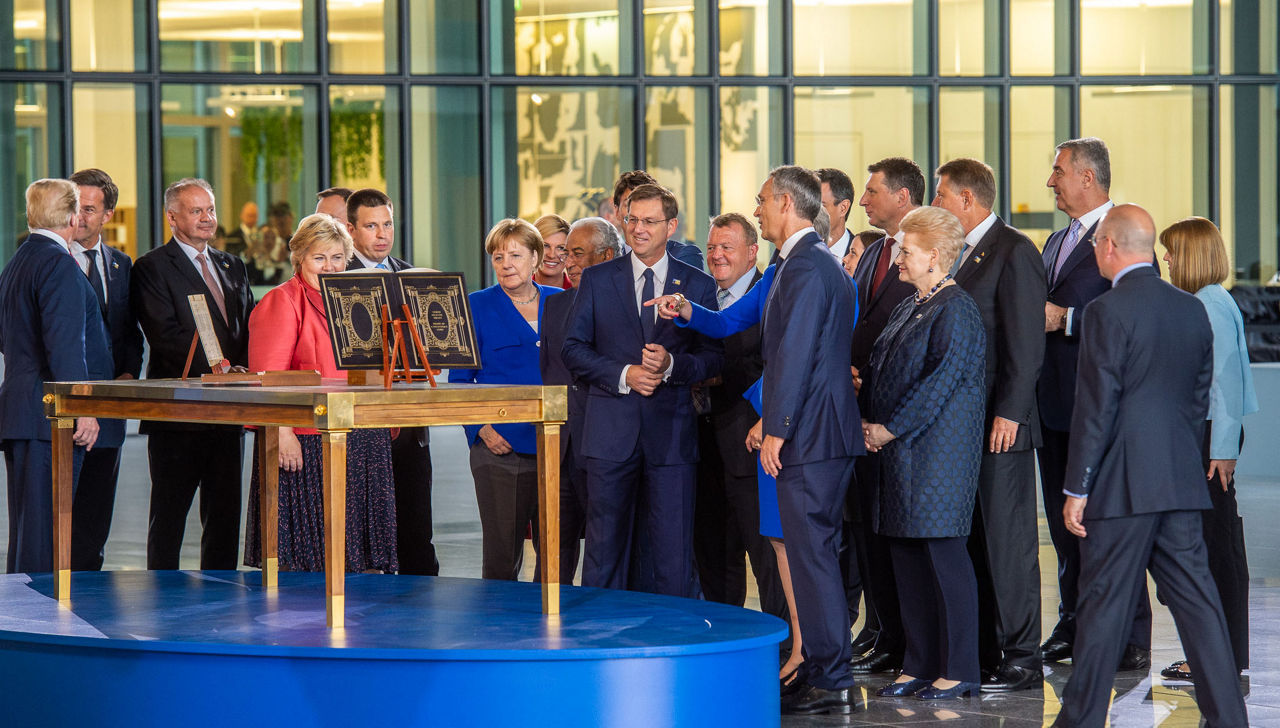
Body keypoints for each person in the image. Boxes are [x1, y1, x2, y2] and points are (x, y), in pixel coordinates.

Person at [1053, 204, 1249, 728]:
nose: (1095, 251)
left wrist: (1078, 486)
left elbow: (1097, 407)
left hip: (1121, 488)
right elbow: (1197, 399)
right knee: (1200, 609)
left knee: (1101, 611)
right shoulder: (1192, 309)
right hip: (1179, 483)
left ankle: (1081, 722)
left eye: (1096, 244)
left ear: (1111, 246)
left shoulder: (1105, 311)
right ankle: (1231, 720)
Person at [562, 183, 723, 598]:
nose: (638, 229)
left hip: (671, 437)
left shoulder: (699, 285)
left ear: (671, 226)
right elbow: (572, 349)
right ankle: (599, 644)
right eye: (632, 219)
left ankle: (673, 647)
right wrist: (624, 373)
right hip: (609, 434)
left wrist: (672, 366)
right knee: (603, 552)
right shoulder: (596, 280)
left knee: (673, 555)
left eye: (650, 221)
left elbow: (713, 358)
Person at [860, 205, 985, 701]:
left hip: (937, 456)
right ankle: (919, 663)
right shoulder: (912, 304)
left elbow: (940, 384)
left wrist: (888, 428)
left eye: (905, 251)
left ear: (935, 256)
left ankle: (959, 668)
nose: (896, 260)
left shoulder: (957, 308)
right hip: (900, 453)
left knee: (943, 558)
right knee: (907, 558)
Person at [931, 158, 1048, 691]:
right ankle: (983, 650)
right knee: (975, 540)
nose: (934, 204)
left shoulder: (1014, 250)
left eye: (940, 195)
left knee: (1009, 542)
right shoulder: (957, 253)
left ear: (967, 199)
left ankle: (1023, 656)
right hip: (962, 426)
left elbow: (1026, 342)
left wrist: (1012, 411)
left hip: (1002, 425)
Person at [1037, 138, 1151, 670]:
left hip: (1102, 407)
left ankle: (1128, 636)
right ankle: (1074, 620)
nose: (1050, 181)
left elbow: (1134, 309)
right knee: (1065, 529)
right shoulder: (1055, 241)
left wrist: (1067, 319)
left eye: (1058, 172)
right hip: (1055, 406)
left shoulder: (1124, 233)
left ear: (1088, 176)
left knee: (1108, 524)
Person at [754, 166, 861, 715]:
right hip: (824, 432)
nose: (757, 212)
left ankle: (830, 675)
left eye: (762, 202)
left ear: (786, 205)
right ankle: (826, 667)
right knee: (814, 554)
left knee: (812, 556)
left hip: (811, 437)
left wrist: (777, 429)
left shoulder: (804, 267)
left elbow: (793, 356)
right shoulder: (817, 263)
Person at [243, 214, 397, 573]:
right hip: (307, 440)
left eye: (337, 258)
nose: (329, 267)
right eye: (319, 258)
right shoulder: (283, 301)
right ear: (299, 259)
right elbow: (268, 378)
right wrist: (281, 433)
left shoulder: (359, 299)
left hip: (363, 436)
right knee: (311, 562)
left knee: (361, 560)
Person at [132, 178, 255, 570]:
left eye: (211, 210)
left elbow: (246, 327)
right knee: (168, 517)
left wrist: (244, 372)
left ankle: (219, 595)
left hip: (229, 412)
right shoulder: (151, 267)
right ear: (172, 217)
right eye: (196, 211)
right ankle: (160, 595)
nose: (207, 219)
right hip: (178, 414)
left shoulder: (231, 264)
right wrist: (219, 369)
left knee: (223, 518)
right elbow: (164, 334)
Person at [1158, 217, 1258, 681]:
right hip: (1208, 438)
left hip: (1208, 440)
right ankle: (1219, 657)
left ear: (1192, 256)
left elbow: (1223, 382)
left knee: (1213, 550)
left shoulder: (1208, 303)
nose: (1166, 259)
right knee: (1217, 548)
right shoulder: (1211, 300)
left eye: (1172, 251)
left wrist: (1221, 450)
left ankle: (1216, 659)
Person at [0, 179, 112, 573]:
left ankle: (21, 618)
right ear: (69, 215)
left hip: (24, 410)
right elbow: (65, 346)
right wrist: (83, 408)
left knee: (30, 527)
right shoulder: (58, 264)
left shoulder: (19, 261)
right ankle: (38, 621)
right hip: (51, 417)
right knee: (46, 530)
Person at [450, 219, 562, 580]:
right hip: (499, 449)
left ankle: (552, 626)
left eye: (515, 255)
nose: (507, 264)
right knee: (502, 554)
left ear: (536, 258)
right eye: (498, 257)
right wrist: (481, 429)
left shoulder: (562, 303)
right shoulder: (475, 305)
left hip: (558, 445)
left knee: (556, 550)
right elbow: (460, 381)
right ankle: (497, 629)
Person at [849, 157, 926, 675]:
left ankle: (908, 642)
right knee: (868, 531)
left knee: (903, 535)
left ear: (902, 196)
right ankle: (882, 631)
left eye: (872, 190)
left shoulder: (932, 252)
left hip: (904, 418)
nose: (863, 200)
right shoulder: (874, 250)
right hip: (860, 408)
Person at [691, 212, 786, 621]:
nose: (717, 255)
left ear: (752, 252)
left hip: (753, 446)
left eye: (726, 247)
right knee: (712, 553)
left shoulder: (774, 293)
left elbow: (782, 365)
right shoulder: (700, 297)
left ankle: (783, 647)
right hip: (701, 446)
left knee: (766, 556)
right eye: (712, 247)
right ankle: (720, 638)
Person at [344, 188, 439, 576]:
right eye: (371, 226)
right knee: (364, 530)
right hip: (361, 425)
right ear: (351, 230)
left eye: (388, 224)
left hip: (410, 423)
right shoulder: (334, 276)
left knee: (416, 525)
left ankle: (420, 605)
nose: (382, 234)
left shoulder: (411, 276)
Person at [67, 168, 145, 571]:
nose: (79, 217)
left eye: (89, 209)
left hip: (110, 408)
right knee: (63, 512)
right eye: (73, 207)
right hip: (67, 409)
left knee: (97, 513)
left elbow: (128, 331)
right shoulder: (52, 259)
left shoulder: (121, 264)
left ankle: (88, 591)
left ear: (107, 215)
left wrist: (129, 376)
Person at [539, 217, 624, 581]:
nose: (566, 262)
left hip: (606, 442)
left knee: (605, 547)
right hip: (561, 444)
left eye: (575, 253)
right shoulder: (556, 306)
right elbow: (550, 374)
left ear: (605, 257)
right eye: (562, 252)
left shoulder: (626, 304)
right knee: (554, 549)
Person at [610, 170, 705, 270]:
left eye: (648, 205)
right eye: (629, 205)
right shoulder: (609, 260)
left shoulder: (685, 257)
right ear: (617, 212)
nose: (640, 213)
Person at [817, 168, 857, 259]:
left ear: (843, 208)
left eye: (819, 206)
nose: (809, 213)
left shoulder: (867, 256)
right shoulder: (791, 253)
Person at [533, 214, 572, 289]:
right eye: (545, 246)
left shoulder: (581, 293)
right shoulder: (515, 290)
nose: (551, 255)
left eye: (561, 248)